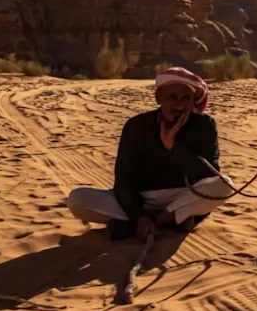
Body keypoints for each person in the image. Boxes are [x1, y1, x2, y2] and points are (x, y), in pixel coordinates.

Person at [66, 67, 234, 241]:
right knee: (77, 199)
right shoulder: (136, 126)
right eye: (172, 97)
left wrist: (172, 147)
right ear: (158, 98)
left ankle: (158, 220)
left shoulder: (204, 125)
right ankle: (174, 219)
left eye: (186, 98)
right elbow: (123, 178)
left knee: (224, 184)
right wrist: (139, 215)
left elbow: (210, 172)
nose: (179, 105)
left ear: (193, 102)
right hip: (143, 199)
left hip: (184, 196)